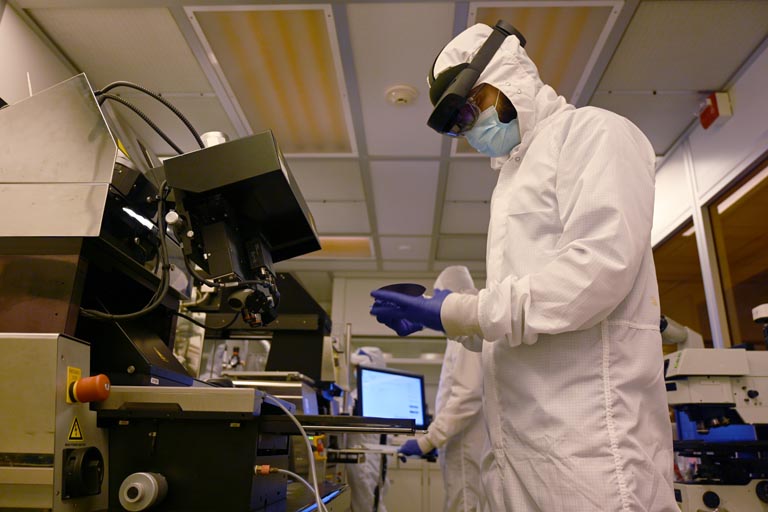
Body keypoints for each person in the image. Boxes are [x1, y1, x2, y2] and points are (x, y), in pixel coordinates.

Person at [371, 21, 677, 512]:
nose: (471, 131)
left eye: (471, 111)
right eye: (460, 125)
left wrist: (462, 313)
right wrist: (447, 320)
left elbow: (596, 274)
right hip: (522, 459)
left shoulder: (593, 133)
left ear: (507, 77)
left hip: (593, 457)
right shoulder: (513, 180)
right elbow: (526, 319)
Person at [398, 266, 487, 512]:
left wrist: (428, 441)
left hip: (465, 449)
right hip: (463, 447)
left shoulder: (469, 326)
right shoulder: (467, 327)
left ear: (450, 295)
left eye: (438, 298)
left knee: (465, 504)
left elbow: (467, 395)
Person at [347, 347, 389, 512]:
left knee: (369, 504)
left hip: (369, 460)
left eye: (359, 368)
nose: (356, 372)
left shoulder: (374, 393)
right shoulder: (356, 393)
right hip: (360, 458)